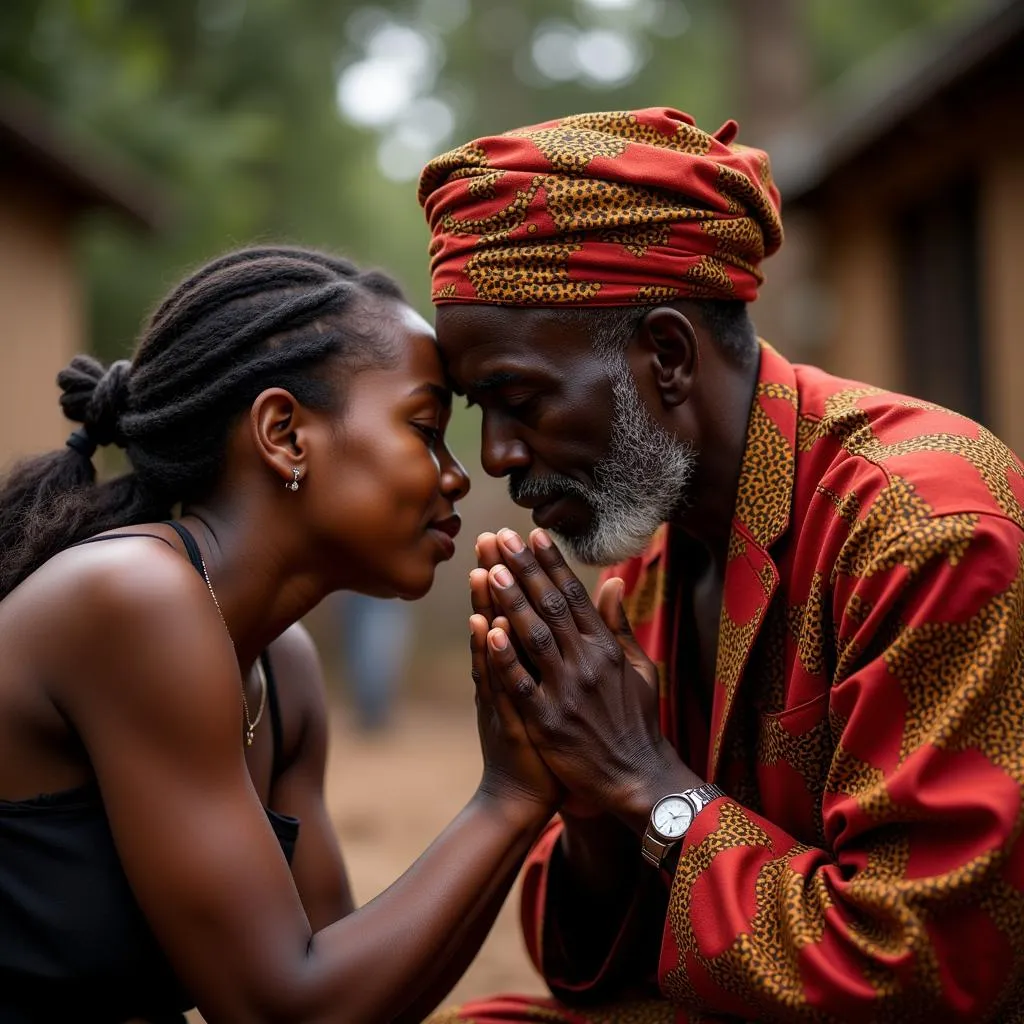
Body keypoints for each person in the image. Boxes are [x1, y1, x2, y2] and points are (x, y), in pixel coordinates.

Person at [417, 108, 1024, 1022]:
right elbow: (580, 973)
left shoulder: (923, 527)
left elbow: (923, 969)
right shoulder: (658, 561)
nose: (496, 455)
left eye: (518, 398)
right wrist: (586, 796)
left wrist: (642, 779)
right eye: (478, 410)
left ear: (665, 355)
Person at [0, 245, 603, 1023]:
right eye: (424, 428)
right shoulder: (136, 600)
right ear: (284, 433)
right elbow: (285, 1010)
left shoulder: (282, 671)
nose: (459, 474)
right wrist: (515, 793)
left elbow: (354, 985)